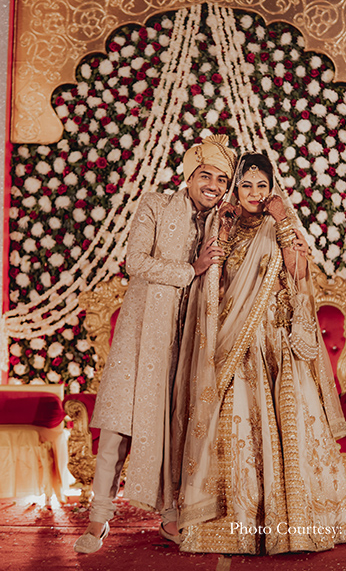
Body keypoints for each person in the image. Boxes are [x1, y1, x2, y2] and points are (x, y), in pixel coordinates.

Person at [172, 152, 346, 555]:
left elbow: (298, 272)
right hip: (236, 342)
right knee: (237, 428)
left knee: (287, 427)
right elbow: (213, 283)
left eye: (262, 185)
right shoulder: (223, 224)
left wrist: (284, 220)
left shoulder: (279, 225)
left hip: (276, 341)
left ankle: (294, 524)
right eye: (246, 185)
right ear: (236, 189)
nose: (255, 193)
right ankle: (240, 523)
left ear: (272, 189)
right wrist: (223, 236)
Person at [74, 134, 236, 554]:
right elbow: (136, 261)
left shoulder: (222, 222)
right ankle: (98, 520)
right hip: (141, 332)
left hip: (185, 341)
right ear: (190, 176)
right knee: (117, 427)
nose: (213, 185)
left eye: (222, 179)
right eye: (206, 175)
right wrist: (191, 269)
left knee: (173, 427)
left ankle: (170, 517)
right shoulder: (156, 205)